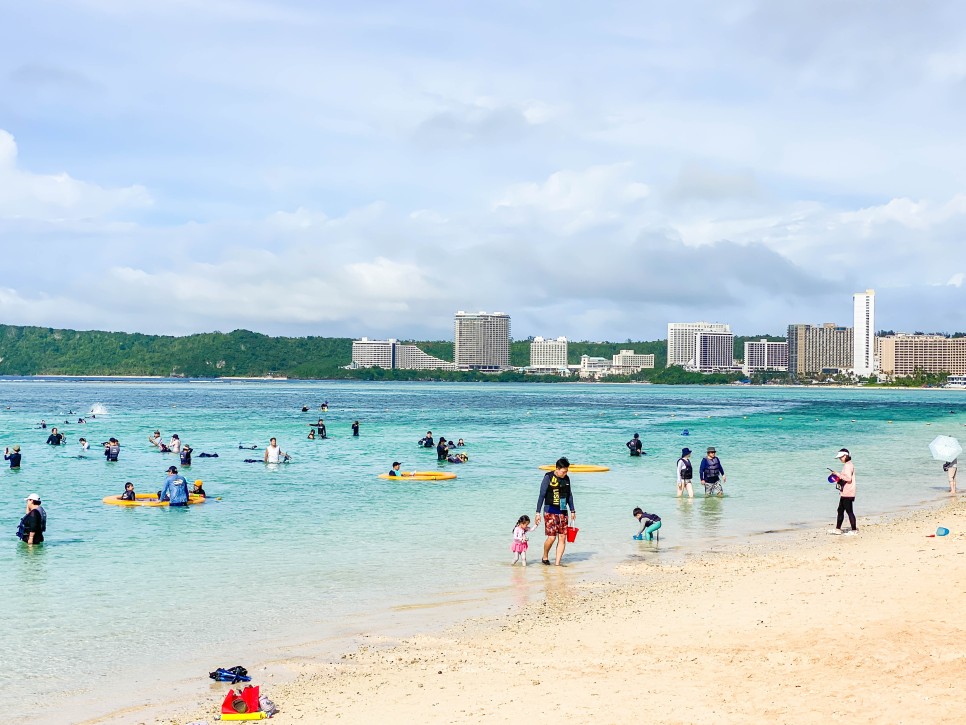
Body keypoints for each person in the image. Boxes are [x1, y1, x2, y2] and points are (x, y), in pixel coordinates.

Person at [534, 457, 576, 566]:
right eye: (563, 471)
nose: (565, 473)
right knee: (551, 537)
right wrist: (537, 513)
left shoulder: (567, 479)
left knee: (562, 537)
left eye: (567, 471)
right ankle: (545, 556)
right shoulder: (548, 477)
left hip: (563, 511)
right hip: (550, 510)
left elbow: (569, 495)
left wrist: (572, 510)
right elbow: (541, 495)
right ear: (557, 469)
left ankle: (557, 564)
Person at [829, 448, 857, 535]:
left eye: (841, 457)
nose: (840, 459)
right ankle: (838, 529)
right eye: (839, 457)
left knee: (849, 511)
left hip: (848, 492)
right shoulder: (848, 464)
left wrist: (837, 474)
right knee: (840, 510)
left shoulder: (848, 465)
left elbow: (848, 478)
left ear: (846, 456)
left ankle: (854, 530)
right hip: (845, 492)